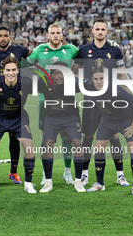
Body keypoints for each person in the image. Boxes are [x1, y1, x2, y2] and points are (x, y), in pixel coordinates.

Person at [75, 18, 129, 187]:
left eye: (103, 29)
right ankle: (84, 174)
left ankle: (120, 175)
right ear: (92, 31)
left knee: (113, 136)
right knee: (88, 136)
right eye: (97, 29)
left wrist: (126, 99)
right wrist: (84, 82)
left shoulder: (114, 50)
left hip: (111, 100)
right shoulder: (83, 50)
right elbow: (73, 72)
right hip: (90, 99)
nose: (100, 32)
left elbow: (122, 75)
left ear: (107, 31)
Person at [26, 22, 79, 186]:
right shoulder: (39, 50)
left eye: (58, 33)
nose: (55, 35)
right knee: (45, 137)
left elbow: (83, 61)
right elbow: (26, 65)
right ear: (47, 35)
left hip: (67, 98)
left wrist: (75, 73)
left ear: (62, 35)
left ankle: (67, 172)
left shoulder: (71, 49)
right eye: (52, 33)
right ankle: (45, 173)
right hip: (45, 99)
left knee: (67, 137)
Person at [0, 26, 31, 185]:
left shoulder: (19, 50)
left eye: (5, 35)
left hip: (16, 99)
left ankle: (14, 172)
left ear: (10, 37)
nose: (3, 38)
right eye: (0, 36)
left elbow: (34, 54)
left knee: (15, 139)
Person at [0, 56, 36, 194]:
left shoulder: (27, 82)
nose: (11, 72)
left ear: (18, 70)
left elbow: (46, 88)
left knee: (29, 147)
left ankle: (28, 183)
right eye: (8, 70)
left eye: (13, 69)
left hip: (19, 118)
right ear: (3, 71)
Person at [86, 67, 133, 195]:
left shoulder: (116, 90)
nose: (99, 81)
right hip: (107, 121)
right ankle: (100, 183)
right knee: (98, 150)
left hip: (126, 121)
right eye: (96, 79)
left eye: (102, 78)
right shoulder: (90, 87)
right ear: (92, 80)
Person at [37, 63, 85, 193]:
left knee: (77, 143)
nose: (60, 76)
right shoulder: (43, 83)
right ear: (52, 75)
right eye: (57, 73)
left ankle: (79, 181)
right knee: (48, 144)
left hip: (71, 117)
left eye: (63, 73)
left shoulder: (73, 83)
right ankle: (48, 181)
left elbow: (90, 86)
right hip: (52, 118)